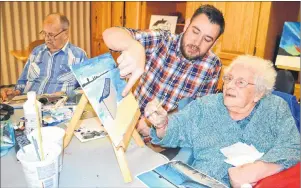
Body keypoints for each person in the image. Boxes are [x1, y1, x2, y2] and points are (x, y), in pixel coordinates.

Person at [144, 55, 300, 187]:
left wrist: (257, 169)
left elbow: (292, 145)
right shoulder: (205, 106)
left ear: (258, 93)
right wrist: (162, 124)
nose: (230, 86)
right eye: (228, 79)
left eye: (240, 82)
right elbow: (176, 127)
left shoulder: (275, 108)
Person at [103, 4, 225, 137]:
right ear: (187, 25)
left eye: (207, 39)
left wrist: (159, 122)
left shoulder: (213, 65)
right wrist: (134, 46)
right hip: (129, 126)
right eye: (195, 31)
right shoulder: (161, 41)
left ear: (214, 43)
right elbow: (110, 33)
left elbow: (198, 112)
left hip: (168, 137)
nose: (197, 42)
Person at [1, 13, 87, 101]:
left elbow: (85, 89)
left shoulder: (78, 55)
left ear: (65, 34)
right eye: (44, 33)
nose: (47, 38)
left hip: (59, 107)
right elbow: (22, 81)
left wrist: (66, 94)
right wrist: (15, 93)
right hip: (30, 104)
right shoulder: (36, 52)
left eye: (51, 35)